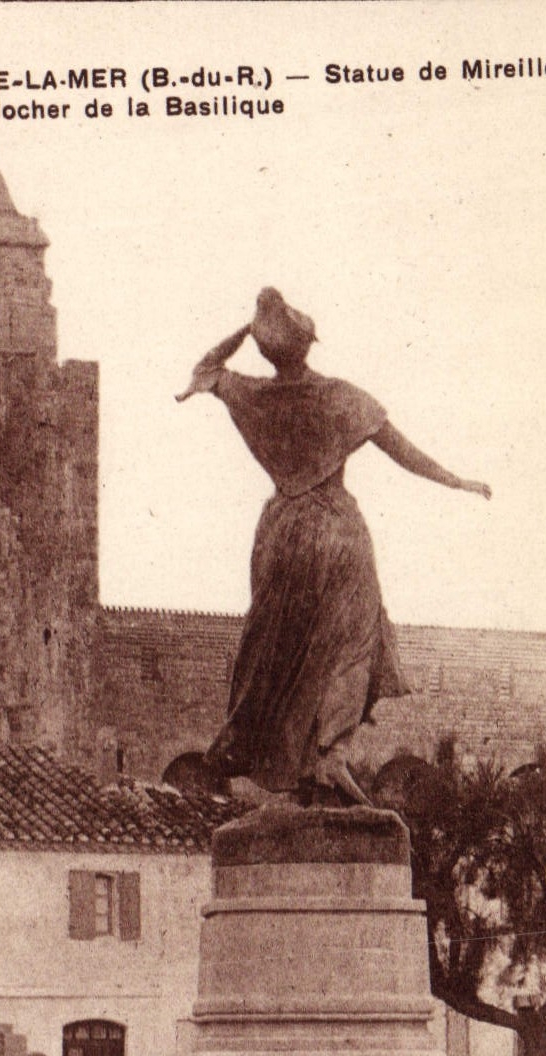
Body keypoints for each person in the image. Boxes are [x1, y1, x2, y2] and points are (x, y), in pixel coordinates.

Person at [177, 288, 491, 805]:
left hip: (282, 535)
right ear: (309, 343)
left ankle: (296, 762)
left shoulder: (254, 394)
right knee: (353, 642)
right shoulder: (343, 398)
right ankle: (332, 754)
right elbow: (404, 452)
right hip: (338, 531)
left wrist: (247, 331)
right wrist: (456, 481)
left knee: (284, 650)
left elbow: (207, 366)